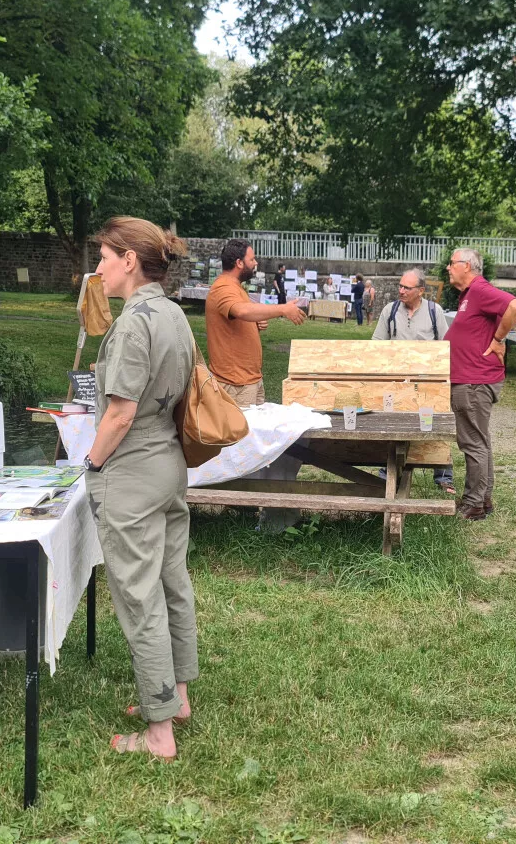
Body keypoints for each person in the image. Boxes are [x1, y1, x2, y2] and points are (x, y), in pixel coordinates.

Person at [85, 216, 196, 762]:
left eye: (104, 256)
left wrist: (92, 462)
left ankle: (158, 733)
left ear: (129, 259)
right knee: (173, 582)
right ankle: (176, 697)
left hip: (132, 470)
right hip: (170, 464)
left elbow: (120, 413)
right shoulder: (175, 314)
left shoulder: (133, 323)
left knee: (139, 595)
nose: (98, 267)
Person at [443, 249, 516, 520]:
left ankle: (473, 503)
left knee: (472, 442)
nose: (448, 268)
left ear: (466, 266)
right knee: (480, 440)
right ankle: (483, 499)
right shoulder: (470, 295)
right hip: (471, 379)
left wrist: (499, 339)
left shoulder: (479, 289)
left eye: (452, 263)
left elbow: (515, 306)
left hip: (474, 381)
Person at [372, 269, 456, 494]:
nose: (401, 291)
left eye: (407, 288)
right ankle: (386, 471)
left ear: (421, 291)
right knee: (390, 423)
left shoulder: (433, 311)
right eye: (400, 286)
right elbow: (377, 344)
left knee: (435, 422)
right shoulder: (390, 310)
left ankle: (443, 476)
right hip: (396, 380)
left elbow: (444, 345)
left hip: (427, 379)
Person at [205, 239, 306, 406]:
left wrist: (254, 324)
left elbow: (242, 314)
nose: (256, 263)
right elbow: (242, 311)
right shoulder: (222, 288)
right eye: (251, 259)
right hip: (235, 384)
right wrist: (283, 309)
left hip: (248, 381)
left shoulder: (236, 287)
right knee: (242, 432)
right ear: (239, 263)